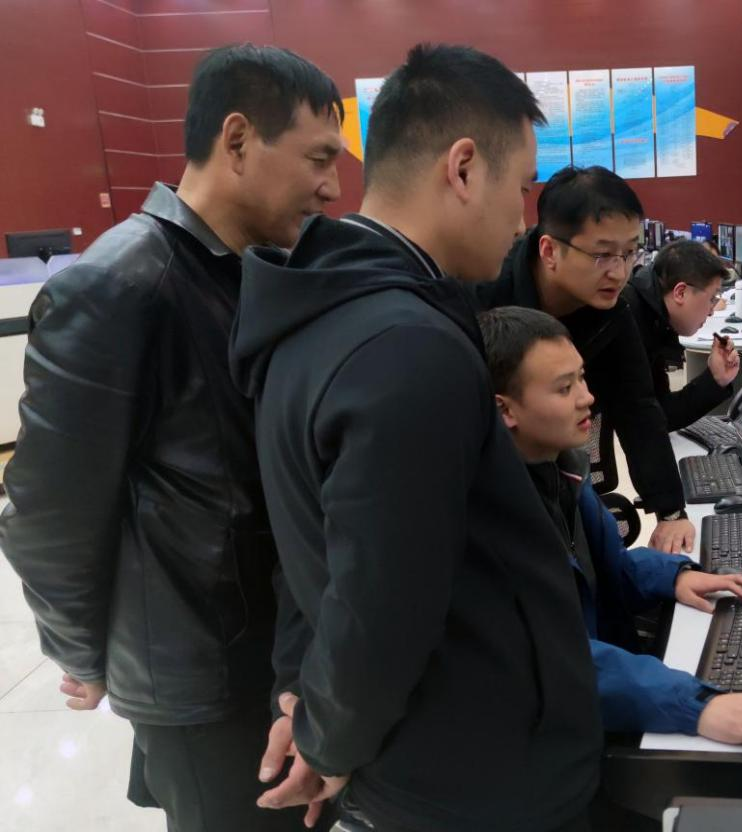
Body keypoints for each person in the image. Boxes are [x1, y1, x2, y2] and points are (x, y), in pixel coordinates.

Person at [230, 44, 602, 832]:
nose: (520, 220)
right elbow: (381, 596)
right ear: (462, 168)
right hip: (472, 775)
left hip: (421, 756)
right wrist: (328, 738)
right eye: (519, 188)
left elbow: (308, 546)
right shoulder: (407, 346)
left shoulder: (316, 307)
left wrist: (306, 699)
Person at [0, 45, 343, 831]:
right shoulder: (120, 285)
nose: (330, 187)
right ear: (238, 140)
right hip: (202, 675)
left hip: (265, 648)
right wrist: (82, 653)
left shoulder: (244, 268)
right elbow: (48, 511)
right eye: (318, 159)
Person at [478, 306, 742, 753]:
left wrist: (675, 575)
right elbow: (549, 659)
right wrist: (696, 706)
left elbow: (609, 572)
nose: (587, 398)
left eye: (582, 378)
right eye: (564, 388)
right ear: (505, 409)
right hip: (555, 737)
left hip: (605, 684)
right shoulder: (488, 520)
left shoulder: (563, 471)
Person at [476, 166, 696, 553]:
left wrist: (671, 512)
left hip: (557, 472)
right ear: (549, 251)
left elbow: (638, 408)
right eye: (602, 255)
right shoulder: (487, 296)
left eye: (630, 252)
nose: (620, 272)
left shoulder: (612, 312)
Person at [622, 239, 742, 431]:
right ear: (680, 292)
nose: (711, 311)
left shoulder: (653, 319)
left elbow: (660, 415)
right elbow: (643, 425)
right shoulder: (630, 319)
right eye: (711, 298)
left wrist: (715, 379)